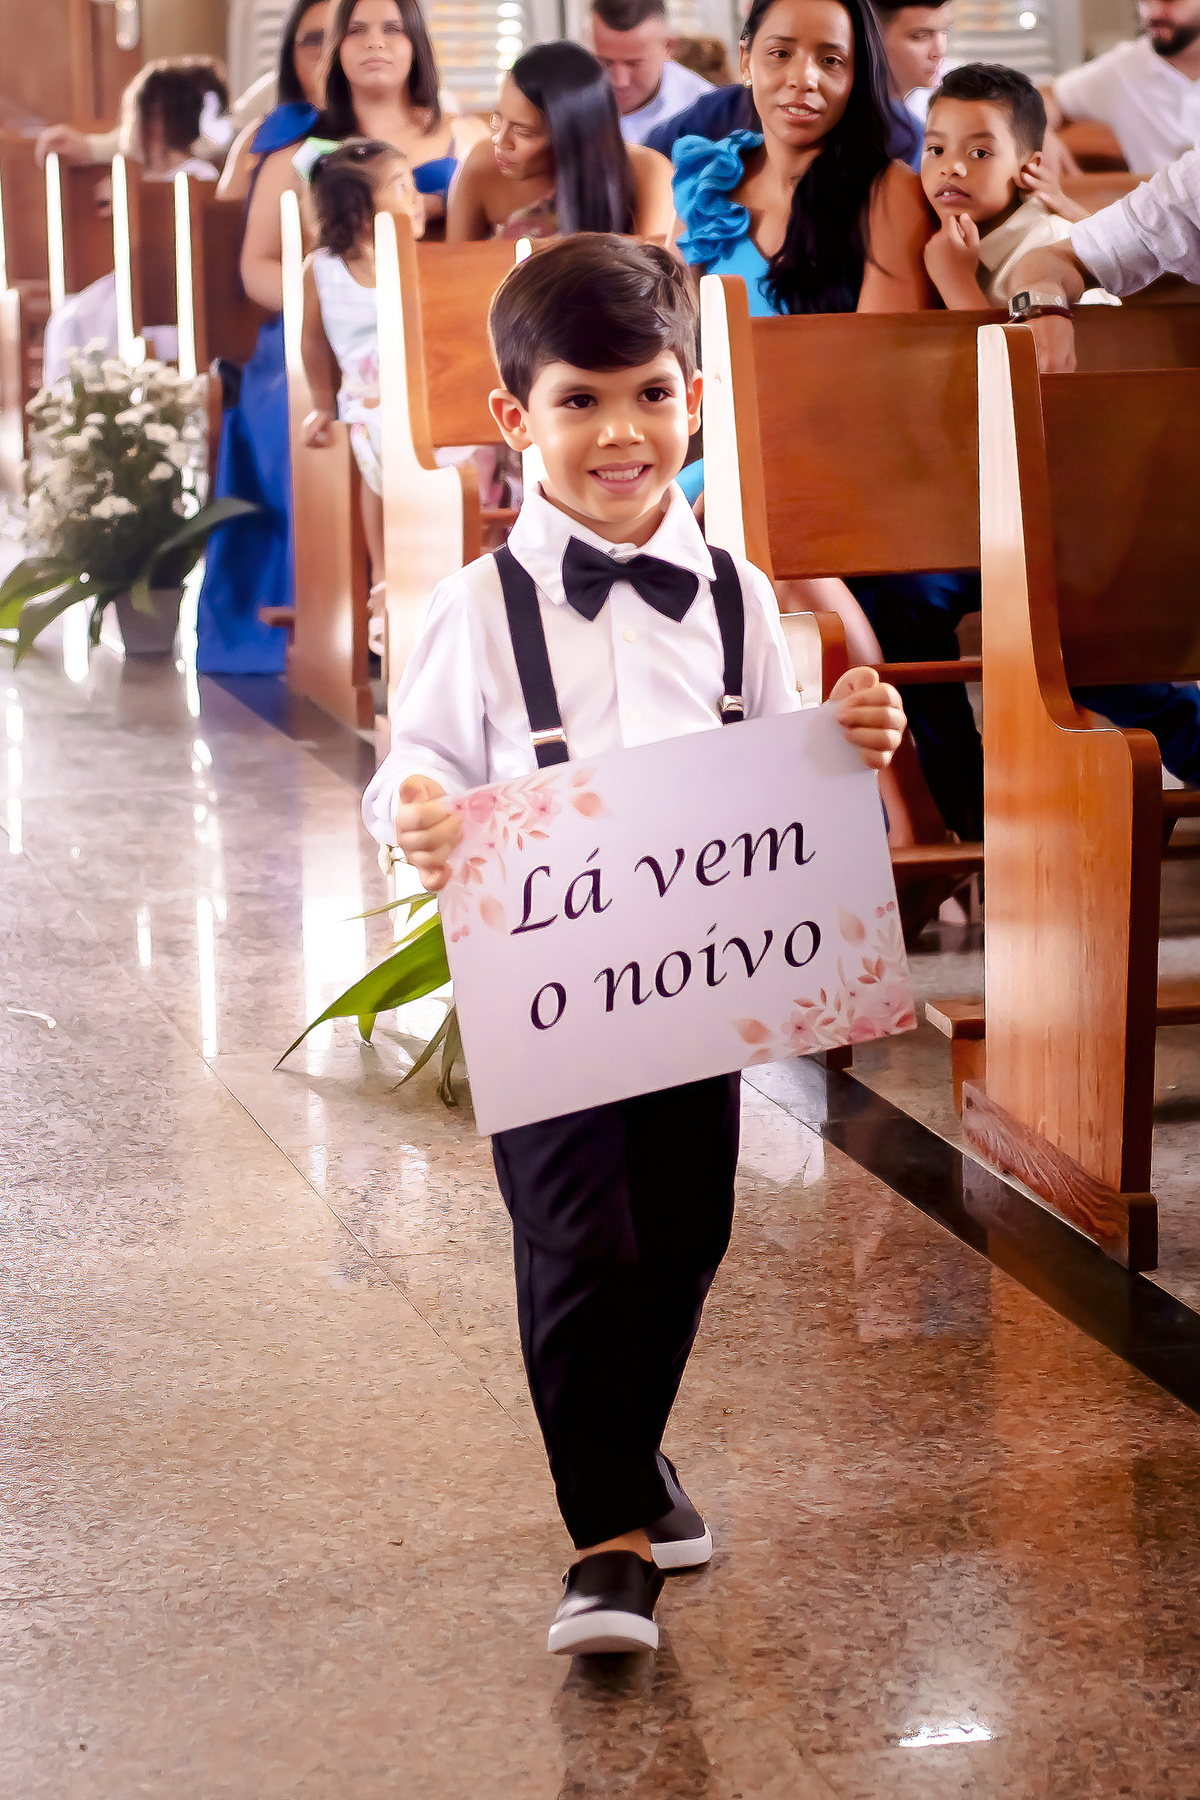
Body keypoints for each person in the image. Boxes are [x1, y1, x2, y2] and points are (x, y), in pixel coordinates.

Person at [360, 235, 906, 1656]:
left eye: (651, 395)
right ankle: (605, 1539)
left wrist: (845, 741)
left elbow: (776, 767)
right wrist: (414, 808)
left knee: (683, 1230)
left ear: (696, 400)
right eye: (582, 401)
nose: (622, 433)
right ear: (515, 420)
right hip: (543, 985)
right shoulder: (476, 609)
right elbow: (411, 758)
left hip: (694, 992)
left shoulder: (734, 592)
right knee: (576, 1236)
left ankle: (636, 1462)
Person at [301, 139, 425, 653]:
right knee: (372, 445)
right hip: (366, 402)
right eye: (401, 187)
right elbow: (310, 340)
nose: (417, 199)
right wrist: (321, 404)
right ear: (358, 209)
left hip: (419, 400)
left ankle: (431, 570)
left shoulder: (420, 257)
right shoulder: (323, 270)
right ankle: (385, 580)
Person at [41, 61, 228, 385]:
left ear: (152, 123)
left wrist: (131, 201)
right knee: (74, 317)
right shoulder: (199, 173)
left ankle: (77, 420)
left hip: (159, 297)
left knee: (70, 322)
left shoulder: (189, 177)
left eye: (128, 116)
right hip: (167, 297)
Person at [447, 41, 674, 241]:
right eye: (499, 119)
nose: (501, 141)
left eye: (524, 131)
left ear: (575, 139)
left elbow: (655, 279)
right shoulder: (482, 165)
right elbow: (451, 274)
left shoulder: (649, 173)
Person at [919, 63, 1102, 309]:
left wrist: (957, 283)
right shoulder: (934, 238)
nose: (950, 167)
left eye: (979, 153)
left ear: (1028, 167)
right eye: (936, 149)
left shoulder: (1056, 246)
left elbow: (1070, 346)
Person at [1043, 0, 1200, 175]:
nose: (1152, 13)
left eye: (1169, 0)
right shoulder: (1124, 68)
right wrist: (1040, 133)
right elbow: (1046, 96)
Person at [216, 0, 330, 202]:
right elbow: (226, 217)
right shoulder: (259, 137)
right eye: (315, 40)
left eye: (347, 35)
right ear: (290, 54)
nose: (329, 53)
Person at [589, 0, 714, 143]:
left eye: (634, 64)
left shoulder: (707, 115)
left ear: (668, 47)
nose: (620, 81)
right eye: (606, 63)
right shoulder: (567, 100)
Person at [872, 0, 954, 168]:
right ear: (873, 38)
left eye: (944, 31)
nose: (939, 51)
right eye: (919, 36)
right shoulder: (898, 135)